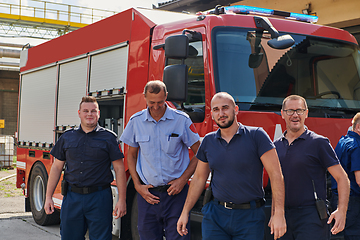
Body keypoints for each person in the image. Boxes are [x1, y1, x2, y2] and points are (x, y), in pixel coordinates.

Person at [177, 92, 286, 240]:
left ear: (236, 109)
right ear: (212, 114)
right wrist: (185, 212)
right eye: (216, 109)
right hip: (216, 216)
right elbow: (199, 179)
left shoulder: (257, 136)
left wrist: (278, 213)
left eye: (225, 108)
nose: (221, 113)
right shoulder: (209, 141)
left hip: (250, 217)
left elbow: (276, 175)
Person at [120, 80, 200, 240]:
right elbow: (132, 156)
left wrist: (183, 180)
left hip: (176, 196)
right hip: (148, 196)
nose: (156, 107)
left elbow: (200, 153)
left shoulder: (181, 120)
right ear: (144, 97)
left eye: (160, 102)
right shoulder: (136, 121)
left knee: (179, 236)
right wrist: (137, 185)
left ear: (167, 97)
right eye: (151, 102)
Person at [44, 96, 127, 240]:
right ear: (79, 113)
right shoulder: (67, 137)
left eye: (93, 111)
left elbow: (120, 169)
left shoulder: (109, 138)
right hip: (72, 197)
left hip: (99, 198)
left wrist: (122, 200)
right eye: (86, 111)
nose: (90, 114)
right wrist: (48, 197)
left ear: (99, 113)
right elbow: (57, 168)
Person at [274, 95, 350, 240]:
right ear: (282, 114)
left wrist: (341, 210)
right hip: (282, 217)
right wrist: (274, 215)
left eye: (299, 110)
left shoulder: (319, 143)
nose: (295, 115)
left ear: (306, 113)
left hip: (311, 217)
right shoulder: (276, 146)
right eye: (290, 111)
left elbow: (342, 178)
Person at [331, 112, 360, 240]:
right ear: (358, 127)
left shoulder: (342, 141)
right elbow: (359, 180)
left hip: (337, 198)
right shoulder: (357, 146)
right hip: (353, 201)